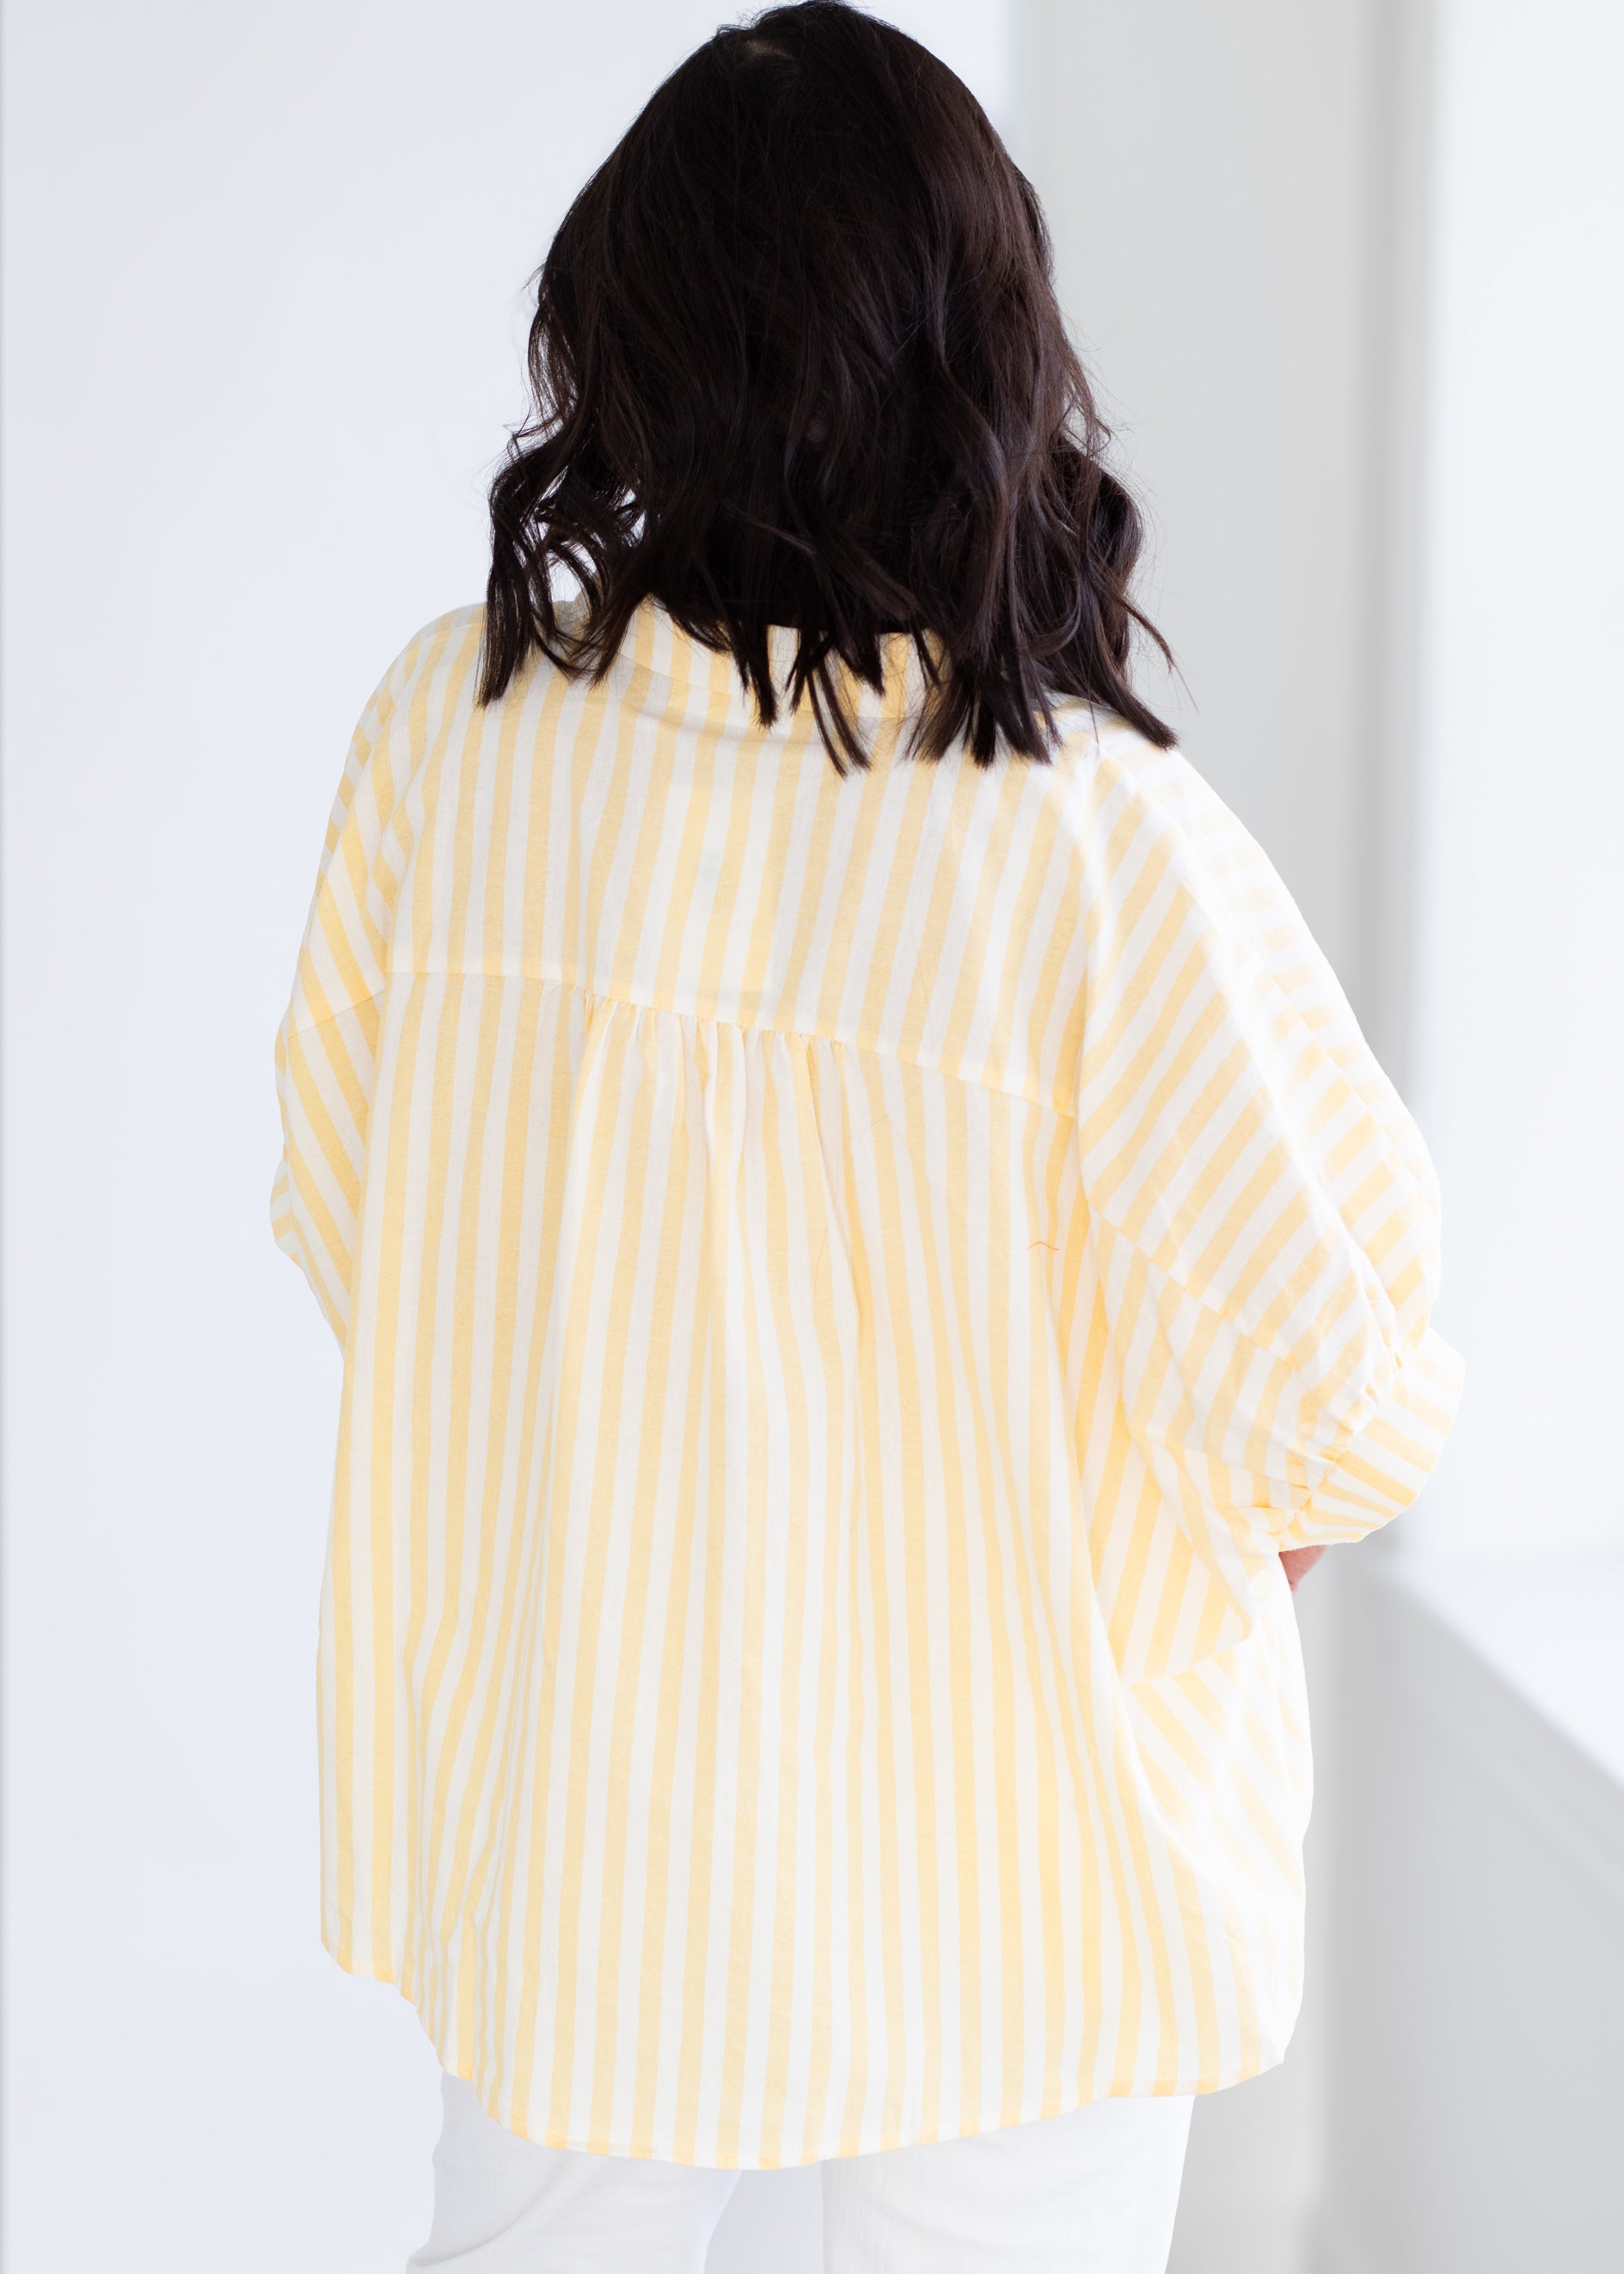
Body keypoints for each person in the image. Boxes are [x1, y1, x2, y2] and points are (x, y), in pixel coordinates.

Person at [270, 6, 1462, 2267]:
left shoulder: (452, 742)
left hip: (578, 1812)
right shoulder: (1098, 844)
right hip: (1023, 1872)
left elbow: (361, 1220)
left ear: (613, 332)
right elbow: (1346, 1406)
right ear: (985, 347)